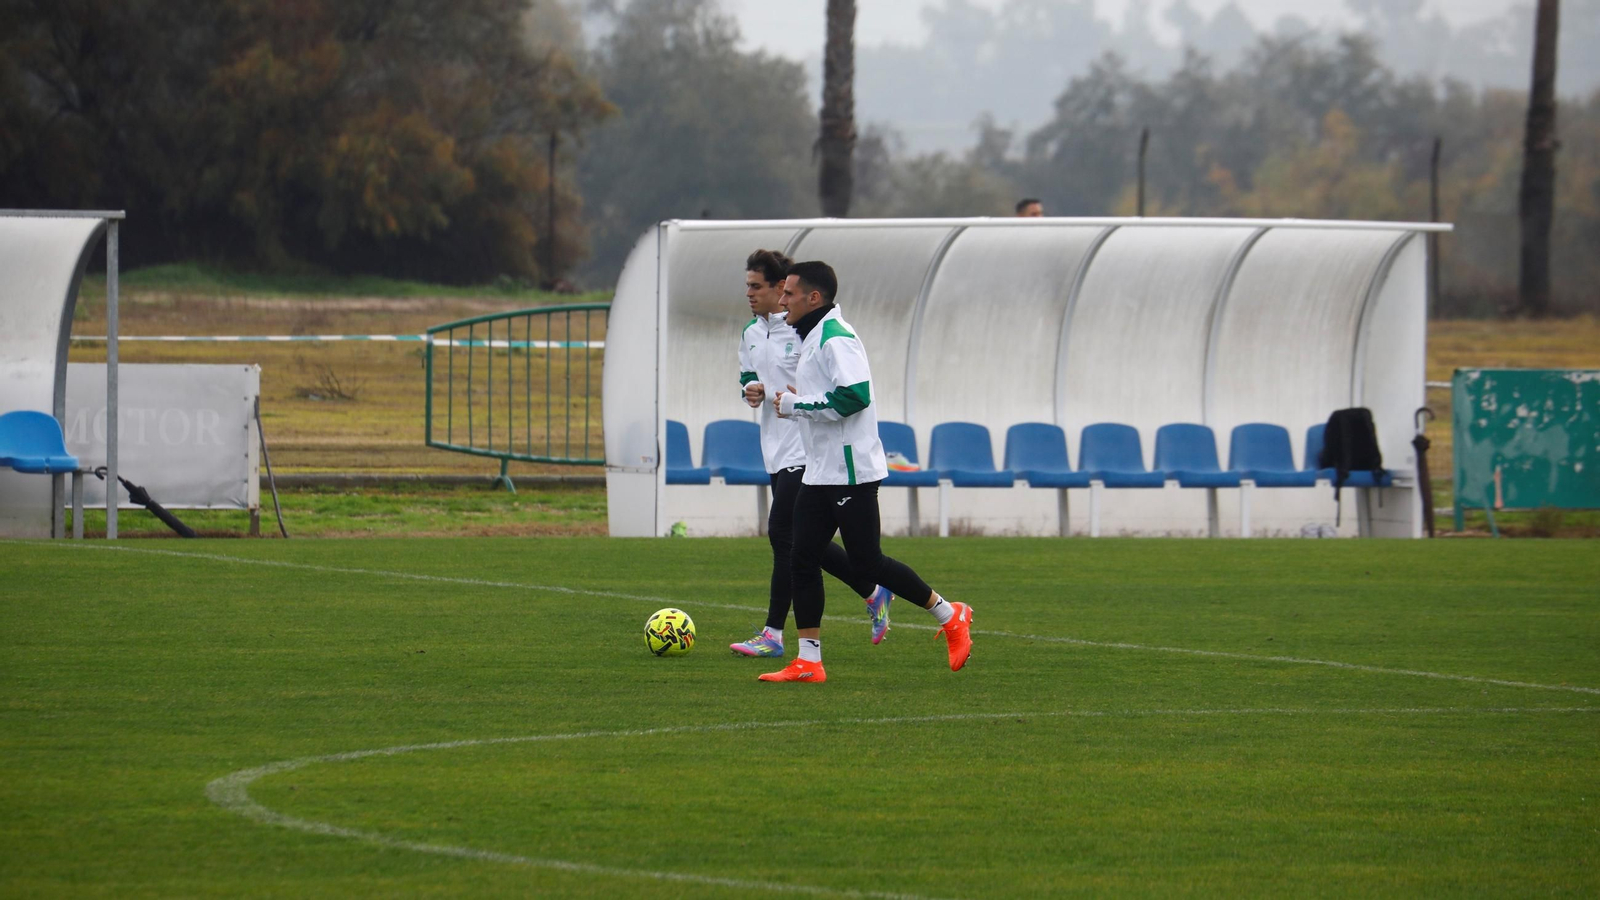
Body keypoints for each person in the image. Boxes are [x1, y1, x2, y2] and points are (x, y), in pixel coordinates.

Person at [759, 260, 973, 683]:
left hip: (851, 470)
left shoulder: (836, 337)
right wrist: (800, 400)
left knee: (867, 564)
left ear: (813, 298)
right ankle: (809, 661)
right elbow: (830, 396)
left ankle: (951, 615)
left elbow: (854, 397)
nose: (781, 301)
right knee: (802, 556)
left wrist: (795, 405)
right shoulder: (815, 335)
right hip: (821, 469)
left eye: (789, 294)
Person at [730, 249, 893, 659]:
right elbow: (751, 374)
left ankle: (774, 633)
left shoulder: (806, 331)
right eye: (747, 285)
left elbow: (836, 390)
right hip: (774, 445)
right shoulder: (751, 332)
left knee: (783, 534)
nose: (750, 293)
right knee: (803, 543)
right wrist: (753, 390)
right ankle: (872, 590)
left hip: (807, 447)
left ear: (781, 289)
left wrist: (795, 402)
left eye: (757, 286)